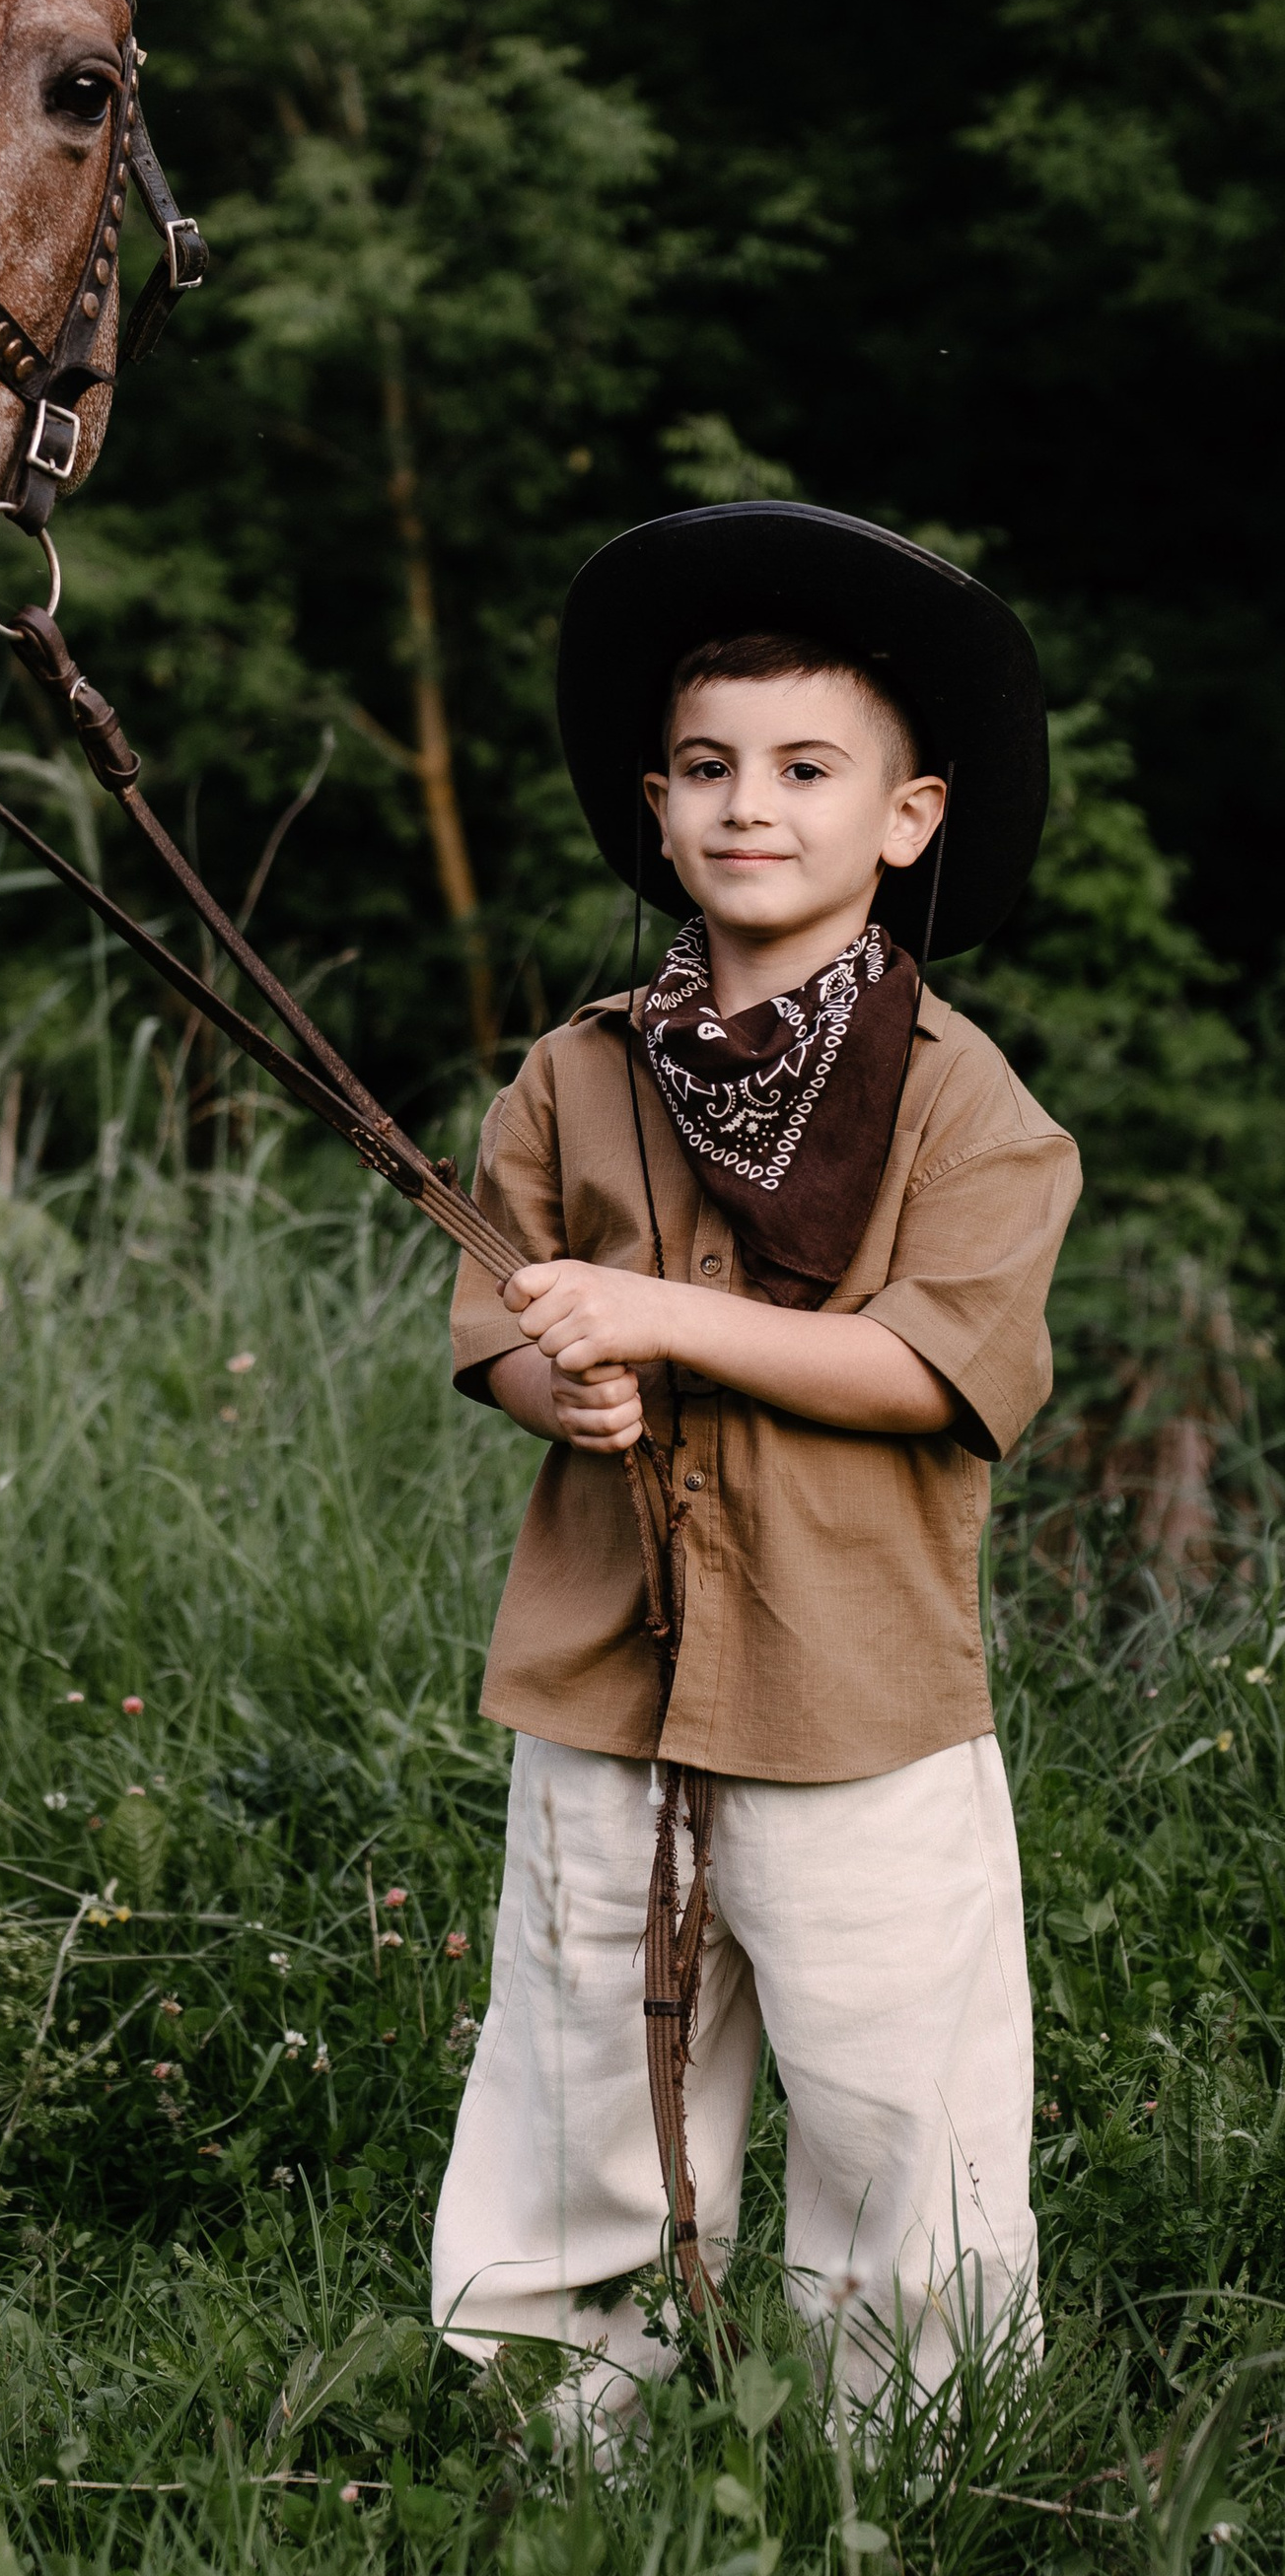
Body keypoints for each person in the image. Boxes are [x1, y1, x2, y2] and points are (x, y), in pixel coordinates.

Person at [430, 501, 1081, 2430]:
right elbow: (494, 1317)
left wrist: (657, 1322)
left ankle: (919, 2440)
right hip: (602, 1670)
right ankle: (561, 2403)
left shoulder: (966, 1101)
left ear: (905, 817)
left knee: (897, 2087)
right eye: (706, 769)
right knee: (577, 2056)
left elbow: (923, 1367)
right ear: (652, 804)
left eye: (806, 770)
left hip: (850, 1692)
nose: (746, 807)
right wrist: (565, 1387)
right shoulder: (575, 1073)